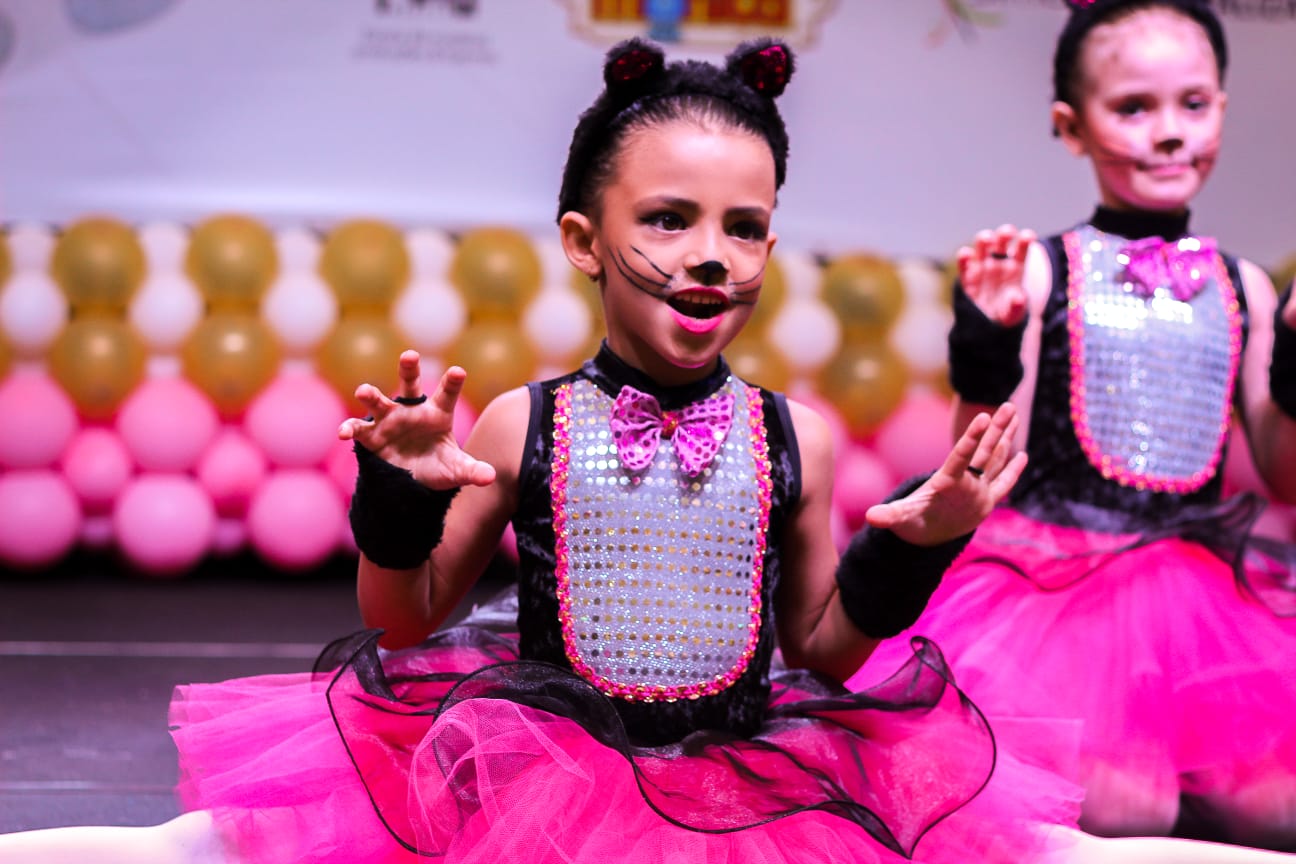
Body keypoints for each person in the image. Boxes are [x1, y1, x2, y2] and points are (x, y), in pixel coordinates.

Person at [2, 34, 1292, 864]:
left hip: (746, 783)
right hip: (546, 781)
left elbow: (823, 649)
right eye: (666, 219)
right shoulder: (527, 421)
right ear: (582, 238)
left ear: (773, 249)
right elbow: (401, 624)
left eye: (743, 225)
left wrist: (921, 549)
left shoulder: (798, 433)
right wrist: (392, 497)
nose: (708, 255)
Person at [849, 0, 1296, 851]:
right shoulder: (1047, 269)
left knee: (1275, 809)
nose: (1169, 133)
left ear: (1223, 109)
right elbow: (985, 459)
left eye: (1193, 104)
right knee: (1112, 809)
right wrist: (986, 343)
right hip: (1052, 588)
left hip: (1200, 605)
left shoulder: (1248, 287)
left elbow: (1284, 471)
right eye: (1134, 107)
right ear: (1072, 126)